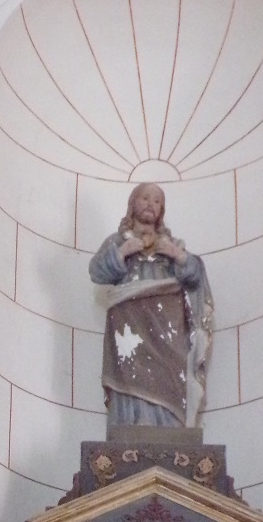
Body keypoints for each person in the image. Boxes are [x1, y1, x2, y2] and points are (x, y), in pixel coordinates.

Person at [89, 183, 214, 429]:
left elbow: (196, 276)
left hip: (166, 322)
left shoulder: (172, 244)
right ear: (133, 203)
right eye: (145, 198)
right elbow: (96, 271)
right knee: (130, 368)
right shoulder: (117, 241)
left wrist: (178, 256)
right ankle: (131, 423)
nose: (150, 204)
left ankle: (168, 426)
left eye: (157, 201)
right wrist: (123, 252)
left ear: (162, 210)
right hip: (129, 321)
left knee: (166, 371)